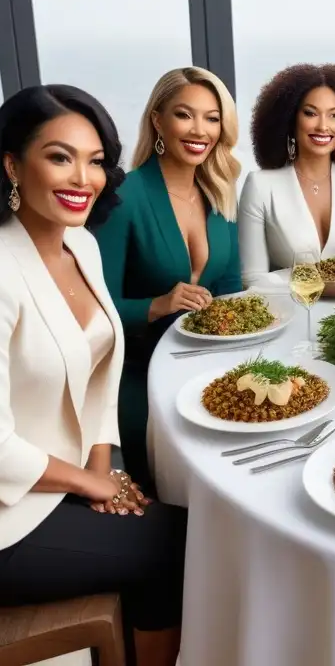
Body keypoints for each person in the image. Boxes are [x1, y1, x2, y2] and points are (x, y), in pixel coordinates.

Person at [0, 85, 187, 666]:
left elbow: (101, 368)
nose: (83, 176)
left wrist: (103, 467)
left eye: (96, 160)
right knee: (180, 545)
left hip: (61, 484)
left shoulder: (81, 246)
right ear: (12, 164)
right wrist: (90, 487)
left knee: (171, 521)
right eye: (60, 156)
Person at [93, 67, 242, 490]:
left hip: (211, 366)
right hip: (142, 375)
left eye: (212, 118)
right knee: (175, 491)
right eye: (185, 115)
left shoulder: (220, 190)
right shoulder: (122, 197)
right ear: (158, 120)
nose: (200, 130)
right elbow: (94, 311)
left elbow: (230, 287)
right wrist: (159, 304)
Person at [239, 63, 335, 288]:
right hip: (287, 311)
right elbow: (251, 278)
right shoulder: (260, 186)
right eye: (310, 113)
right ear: (290, 119)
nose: (323, 126)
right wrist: (313, 287)